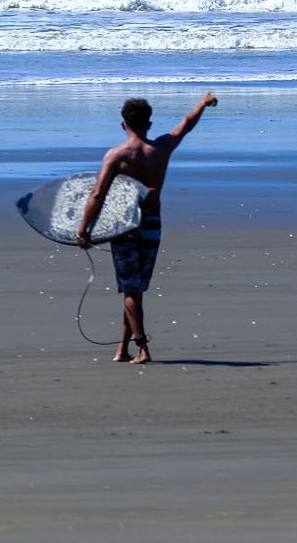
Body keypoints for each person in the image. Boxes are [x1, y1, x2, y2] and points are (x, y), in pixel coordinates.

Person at [77, 92, 218, 364]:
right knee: (135, 290)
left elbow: (97, 195)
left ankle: (142, 348)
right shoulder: (161, 149)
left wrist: (83, 229)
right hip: (153, 224)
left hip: (125, 227)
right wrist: (202, 104)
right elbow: (186, 125)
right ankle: (122, 349)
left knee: (131, 290)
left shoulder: (116, 156)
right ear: (149, 124)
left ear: (123, 124)